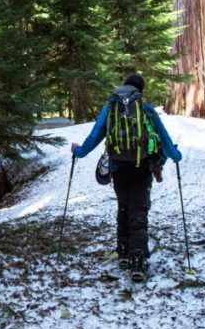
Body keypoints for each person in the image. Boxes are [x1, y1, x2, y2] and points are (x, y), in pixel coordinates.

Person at [70, 74, 182, 282]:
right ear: (141, 90)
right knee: (138, 211)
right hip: (142, 168)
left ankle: (123, 252)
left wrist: (79, 151)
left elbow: (94, 137)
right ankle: (137, 260)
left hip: (118, 168)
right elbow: (164, 137)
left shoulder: (110, 109)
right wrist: (176, 156)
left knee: (123, 207)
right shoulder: (145, 109)